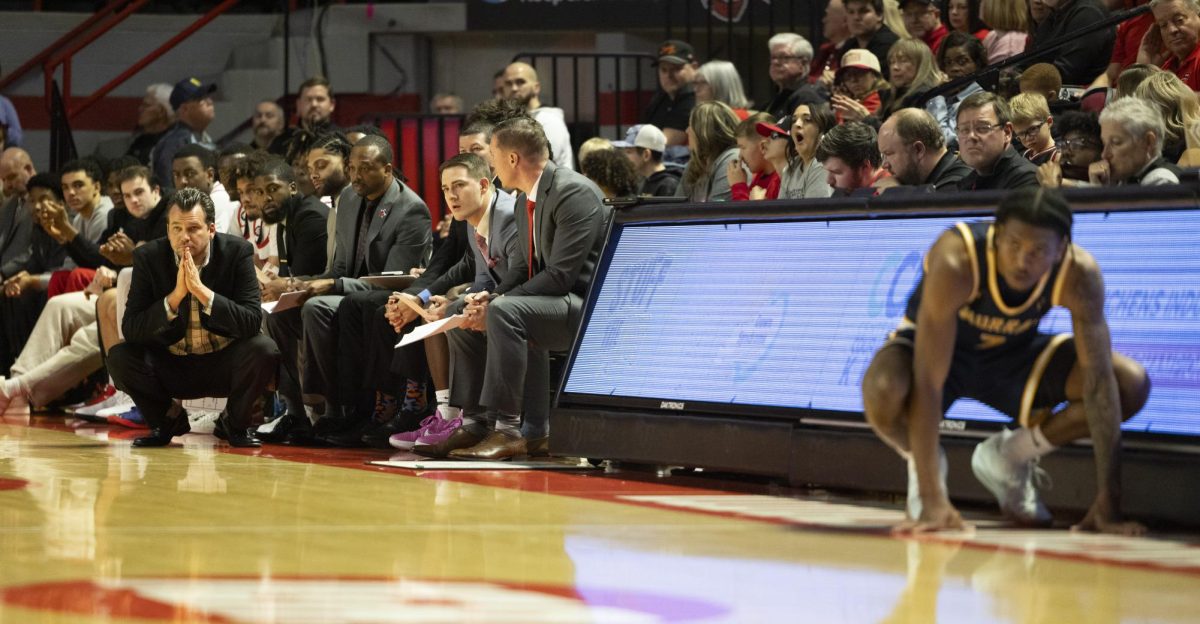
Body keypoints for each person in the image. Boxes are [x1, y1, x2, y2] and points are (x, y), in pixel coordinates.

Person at [861, 187, 1150, 536]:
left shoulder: (1079, 274)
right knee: (883, 390)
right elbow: (928, 380)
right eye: (1013, 245)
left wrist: (1110, 503)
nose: (1022, 260)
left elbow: (1099, 385)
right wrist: (932, 497)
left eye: (1039, 250)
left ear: (1062, 249)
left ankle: (1011, 455)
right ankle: (924, 466)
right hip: (939, 352)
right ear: (997, 236)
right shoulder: (958, 258)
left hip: (1012, 354)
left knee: (1127, 384)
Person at [414, 115, 607, 461]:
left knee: (505, 311)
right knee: (462, 311)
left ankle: (508, 429)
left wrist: (499, 302)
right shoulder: (523, 199)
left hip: (586, 307)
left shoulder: (572, 191)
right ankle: (475, 422)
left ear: (512, 159)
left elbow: (561, 275)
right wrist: (487, 297)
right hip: (548, 302)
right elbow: (521, 268)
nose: (491, 164)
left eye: (494, 156)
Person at [108, 188, 280, 448]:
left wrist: (202, 292)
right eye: (176, 229)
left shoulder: (237, 253)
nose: (183, 237)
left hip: (223, 363)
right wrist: (175, 297)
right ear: (167, 230)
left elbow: (251, 321)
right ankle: (167, 420)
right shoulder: (149, 257)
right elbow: (132, 329)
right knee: (120, 356)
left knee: (264, 349)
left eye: (193, 229)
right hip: (173, 363)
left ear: (211, 229)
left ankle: (233, 424)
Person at [957, 91, 1041, 190]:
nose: (971, 136)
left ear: (1007, 132)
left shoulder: (1027, 179)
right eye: (964, 129)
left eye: (983, 128)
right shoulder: (968, 182)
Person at [1090, 95, 1181, 185]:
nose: (1104, 155)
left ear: (1149, 142)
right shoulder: (1130, 177)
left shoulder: (1161, 183)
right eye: (1104, 143)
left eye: (1116, 142)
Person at [503, 62, 575, 170]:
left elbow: (544, 164)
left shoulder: (549, 120)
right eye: (508, 83)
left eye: (520, 82)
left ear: (536, 87)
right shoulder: (511, 120)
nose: (514, 88)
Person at [878, 107, 974, 189]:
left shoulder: (957, 185)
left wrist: (896, 194)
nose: (884, 165)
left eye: (889, 154)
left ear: (918, 150)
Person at [1025, 0, 1115, 86]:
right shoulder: (1057, 12)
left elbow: (1064, 73)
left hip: (1077, 97)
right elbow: (1030, 60)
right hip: (1047, 91)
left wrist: (1021, 81)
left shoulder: (1088, 13)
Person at [150, 77, 217, 189]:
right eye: (201, 98)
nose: (210, 102)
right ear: (185, 109)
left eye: (208, 97)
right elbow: (167, 189)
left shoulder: (203, 138)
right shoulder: (173, 144)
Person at [926, 31, 988, 147]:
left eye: (962, 62)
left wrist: (937, 95)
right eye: (948, 62)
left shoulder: (980, 99)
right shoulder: (949, 94)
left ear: (978, 64)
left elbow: (944, 141)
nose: (953, 68)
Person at [676, 101, 741, 202]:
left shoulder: (732, 159)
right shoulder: (695, 163)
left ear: (704, 132)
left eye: (690, 125)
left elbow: (714, 212)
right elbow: (676, 206)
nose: (687, 131)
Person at [642, 39, 700, 148]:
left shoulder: (695, 100)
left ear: (694, 68)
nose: (668, 75)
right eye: (663, 70)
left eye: (676, 69)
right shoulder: (661, 98)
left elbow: (663, 145)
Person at [1136, 0, 1200, 90]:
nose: (1171, 30)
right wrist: (1145, 69)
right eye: (1163, 25)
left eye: (1179, 20)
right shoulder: (1166, 66)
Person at [779, 103, 837, 199]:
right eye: (794, 120)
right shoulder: (790, 168)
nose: (797, 124)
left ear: (823, 130)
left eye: (807, 120)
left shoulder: (822, 164)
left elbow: (814, 212)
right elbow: (779, 210)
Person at [815, 121, 891, 193]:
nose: (829, 181)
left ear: (865, 167)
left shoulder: (886, 197)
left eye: (836, 172)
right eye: (828, 171)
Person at [765, 33, 826, 119]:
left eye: (784, 57)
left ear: (803, 63)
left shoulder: (808, 98)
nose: (775, 62)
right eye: (773, 57)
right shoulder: (779, 97)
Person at [1036, 110, 1103, 186]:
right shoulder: (1056, 180)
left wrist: (1050, 186)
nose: (1065, 152)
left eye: (1075, 145)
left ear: (1101, 151)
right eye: (1063, 145)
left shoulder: (1111, 185)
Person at [840, 0, 903, 79]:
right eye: (851, 12)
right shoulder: (849, 45)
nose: (856, 17)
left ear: (879, 15)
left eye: (863, 11)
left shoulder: (890, 45)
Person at [614, 124, 681, 197]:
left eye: (629, 152)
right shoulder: (644, 180)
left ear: (646, 155)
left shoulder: (668, 185)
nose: (624, 156)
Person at [728, 113, 781, 201]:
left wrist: (739, 186)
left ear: (763, 146)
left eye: (743, 147)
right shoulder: (759, 176)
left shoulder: (779, 180)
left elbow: (744, 214)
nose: (740, 156)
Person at [832, 49, 893, 123]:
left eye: (859, 73)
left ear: (875, 75)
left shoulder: (881, 98)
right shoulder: (853, 98)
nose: (853, 80)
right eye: (848, 76)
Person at [1009, 93, 1058, 164]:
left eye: (1033, 129)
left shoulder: (1057, 157)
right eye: (1021, 133)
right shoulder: (1025, 155)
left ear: (1049, 122)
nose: (1028, 138)